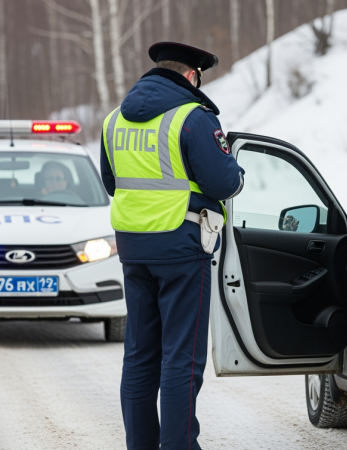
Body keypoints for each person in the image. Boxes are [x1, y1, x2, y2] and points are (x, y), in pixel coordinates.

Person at [100, 42, 245, 450]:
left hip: (134, 250)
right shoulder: (193, 118)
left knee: (141, 354)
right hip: (182, 250)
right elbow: (222, 182)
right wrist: (237, 174)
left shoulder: (114, 121)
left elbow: (111, 184)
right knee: (181, 358)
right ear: (190, 76)